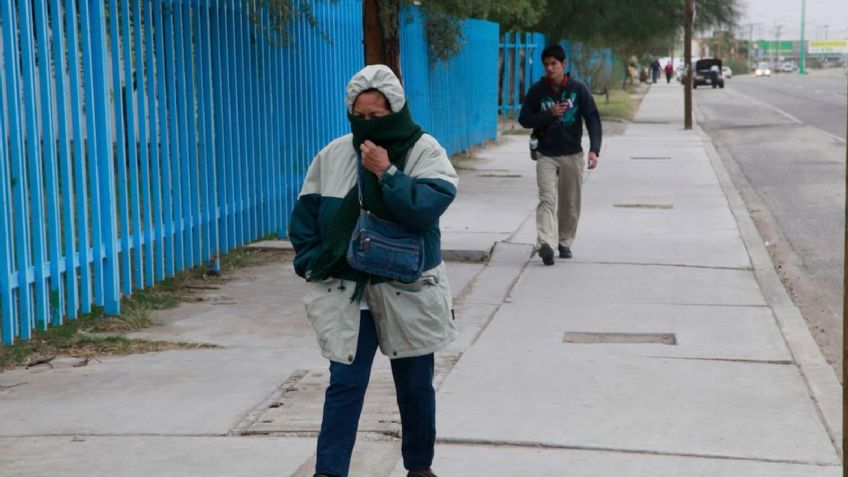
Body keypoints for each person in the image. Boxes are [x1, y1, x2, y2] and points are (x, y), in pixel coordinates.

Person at [289, 64, 458, 477]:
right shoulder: (332, 154)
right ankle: (329, 471)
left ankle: (419, 467)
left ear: (395, 111)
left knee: (415, 387)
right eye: (360, 117)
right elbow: (305, 217)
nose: (367, 125)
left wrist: (387, 171)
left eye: (377, 117)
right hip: (349, 291)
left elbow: (425, 207)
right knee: (344, 385)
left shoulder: (425, 151)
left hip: (407, 288)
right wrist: (313, 261)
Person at [518, 44, 602, 265]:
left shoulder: (578, 89)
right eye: (546, 64)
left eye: (554, 64)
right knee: (547, 198)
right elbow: (524, 119)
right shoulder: (537, 91)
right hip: (546, 153)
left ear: (564, 65)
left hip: (572, 153)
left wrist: (595, 149)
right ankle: (546, 243)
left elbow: (592, 118)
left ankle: (564, 241)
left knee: (570, 203)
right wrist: (548, 114)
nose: (549, 68)